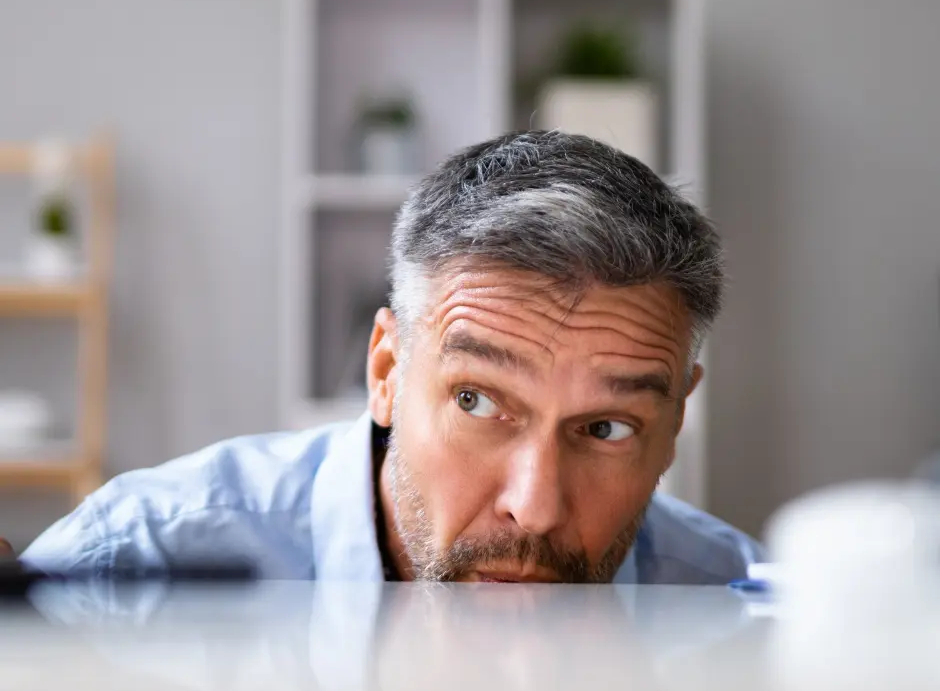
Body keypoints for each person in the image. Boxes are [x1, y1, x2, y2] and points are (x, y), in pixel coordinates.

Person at [17, 130, 762, 583]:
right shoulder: (131, 569)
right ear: (386, 373)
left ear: (674, 421)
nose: (533, 508)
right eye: (477, 400)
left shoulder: (752, 618)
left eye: (607, 428)